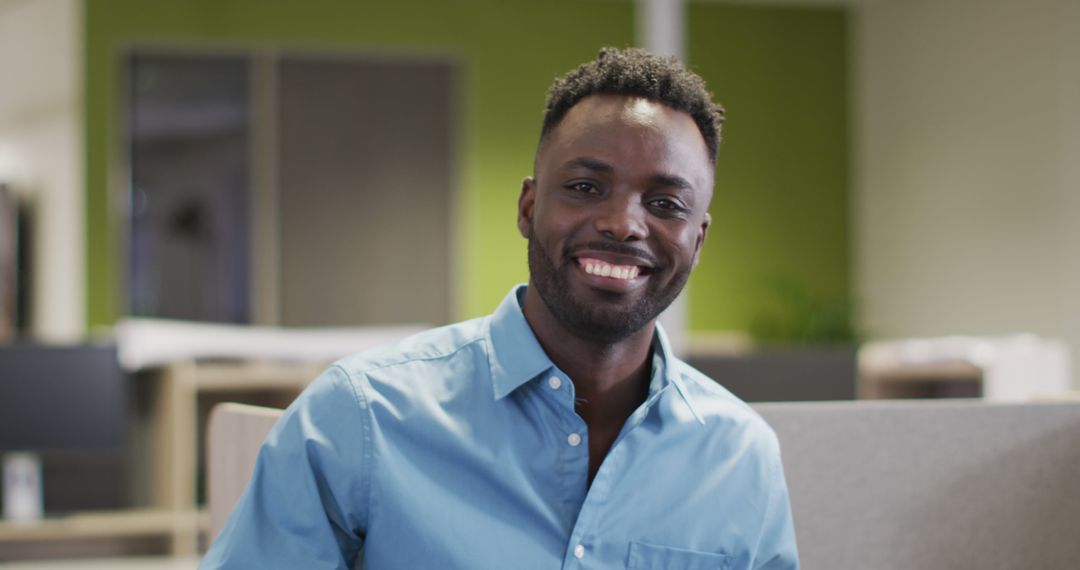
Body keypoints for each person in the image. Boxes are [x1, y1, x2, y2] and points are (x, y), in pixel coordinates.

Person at [201, 47, 799, 569]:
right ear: (528, 207)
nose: (622, 224)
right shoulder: (363, 417)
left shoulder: (739, 456)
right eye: (586, 187)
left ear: (698, 240)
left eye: (666, 203)